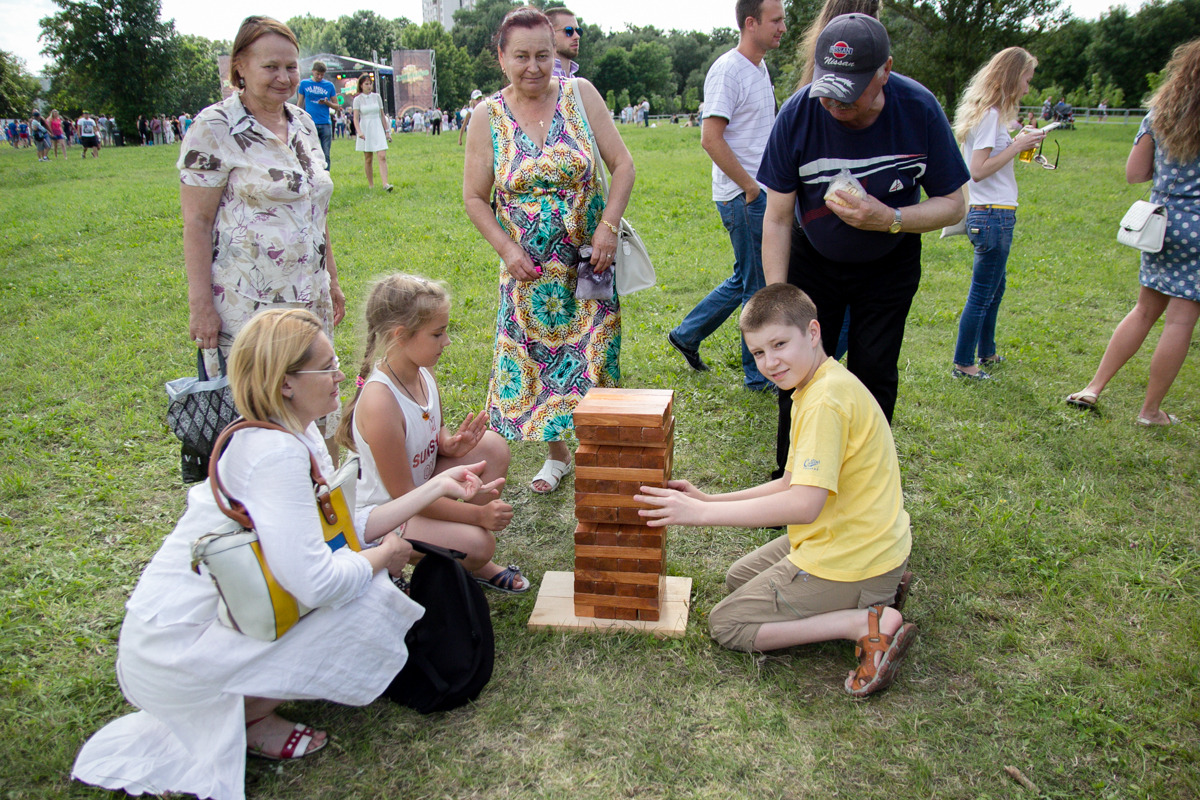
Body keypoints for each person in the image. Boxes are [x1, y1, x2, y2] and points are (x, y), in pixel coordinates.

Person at [71, 308, 495, 800]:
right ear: (286, 382)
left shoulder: (296, 430)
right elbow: (316, 581)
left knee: (367, 586)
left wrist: (437, 486)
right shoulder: (277, 453)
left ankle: (250, 698)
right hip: (176, 651)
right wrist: (385, 557)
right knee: (370, 598)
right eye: (327, 368)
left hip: (205, 623)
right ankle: (249, 716)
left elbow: (343, 524)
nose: (340, 375)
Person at [635, 284, 916, 697]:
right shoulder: (815, 384)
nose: (770, 363)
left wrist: (698, 515)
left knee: (727, 624)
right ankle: (871, 593)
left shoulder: (824, 402)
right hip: (854, 540)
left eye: (779, 344)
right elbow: (789, 482)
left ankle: (865, 621)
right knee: (737, 578)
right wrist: (708, 499)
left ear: (814, 332)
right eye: (758, 353)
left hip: (853, 555)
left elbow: (803, 504)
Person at [758, 13, 968, 477]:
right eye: (828, 91)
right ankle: (792, 478)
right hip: (813, 261)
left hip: (889, 262)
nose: (835, 105)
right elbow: (775, 218)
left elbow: (954, 204)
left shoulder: (919, 109)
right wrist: (780, 297)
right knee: (801, 372)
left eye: (849, 95)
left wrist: (889, 218)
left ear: (885, 72)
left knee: (874, 372)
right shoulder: (797, 114)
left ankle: (866, 483)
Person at [463, 6, 635, 494]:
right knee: (538, 359)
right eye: (521, 57)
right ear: (501, 57)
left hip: (589, 262)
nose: (534, 67)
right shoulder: (486, 116)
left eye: (543, 55)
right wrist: (505, 248)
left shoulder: (581, 96)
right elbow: (475, 197)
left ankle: (600, 455)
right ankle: (557, 457)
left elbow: (623, 165)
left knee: (595, 356)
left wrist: (606, 228)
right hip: (527, 273)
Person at [180, 15, 346, 457]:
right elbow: (196, 223)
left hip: (309, 298)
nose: (284, 77)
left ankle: (323, 509)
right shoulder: (214, 128)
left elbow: (315, 207)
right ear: (240, 68)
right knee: (259, 421)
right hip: (248, 307)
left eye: (291, 67)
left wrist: (332, 277)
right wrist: (201, 306)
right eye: (270, 67)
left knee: (317, 408)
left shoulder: (304, 123)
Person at [337, 275, 529, 593]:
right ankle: (401, 562)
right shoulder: (380, 402)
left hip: (419, 490)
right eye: (438, 334)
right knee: (479, 543)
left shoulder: (421, 370)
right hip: (384, 514)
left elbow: (430, 425)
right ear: (401, 336)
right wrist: (478, 515)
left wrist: (448, 444)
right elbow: (404, 495)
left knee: (491, 448)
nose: (447, 341)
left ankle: (462, 556)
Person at [1066, 38, 1200, 426]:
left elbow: (1135, 173)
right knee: (1180, 321)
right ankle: (1150, 411)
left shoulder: (1160, 114)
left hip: (1161, 223)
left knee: (1144, 310)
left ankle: (1093, 387)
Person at [666, 0, 785, 391]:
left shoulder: (759, 66)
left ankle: (687, 334)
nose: (783, 27)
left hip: (760, 192)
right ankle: (758, 377)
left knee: (745, 277)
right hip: (745, 196)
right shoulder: (728, 70)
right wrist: (750, 187)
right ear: (751, 23)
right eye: (776, 20)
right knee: (758, 287)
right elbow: (710, 138)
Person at [949, 48, 1045, 380]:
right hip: (993, 215)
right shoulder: (990, 115)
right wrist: (1017, 147)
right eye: (1026, 80)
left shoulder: (988, 115)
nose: (1027, 89)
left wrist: (1017, 142)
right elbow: (978, 170)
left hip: (992, 214)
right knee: (983, 292)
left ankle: (986, 352)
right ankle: (964, 362)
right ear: (1011, 76)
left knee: (995, 287)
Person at [354, 72, 393, 191]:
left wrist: (387, 131)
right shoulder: (358, 99)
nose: (369, 86)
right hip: (366, 127)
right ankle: (371, 184)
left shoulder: (377, 97)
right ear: (361, 85)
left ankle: (385, 184)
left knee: (382, 155)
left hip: (377, 127)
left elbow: (382, 115)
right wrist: (359, 132)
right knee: (368, 158)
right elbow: (355, 118)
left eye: (370, 84)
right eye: (366, 84)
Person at [298, 60, 338, 170]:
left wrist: (327, 103)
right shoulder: (304, 84)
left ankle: (326, 175)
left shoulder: (329, 85)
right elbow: (299, 103)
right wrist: (298, 118)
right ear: (313, 72)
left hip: (325, 123)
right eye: (317, 74)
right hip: (309, 123)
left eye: (322, 75)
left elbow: (336, 106)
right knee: (309, 152)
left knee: (326, 154)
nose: (320, 77)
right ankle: (312, 174)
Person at [548, 6, 581, 78]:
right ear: (549, 34)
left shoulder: (577, 84)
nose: (577, 36)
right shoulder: (542, 82)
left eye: (578, 31)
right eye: (569, 31)